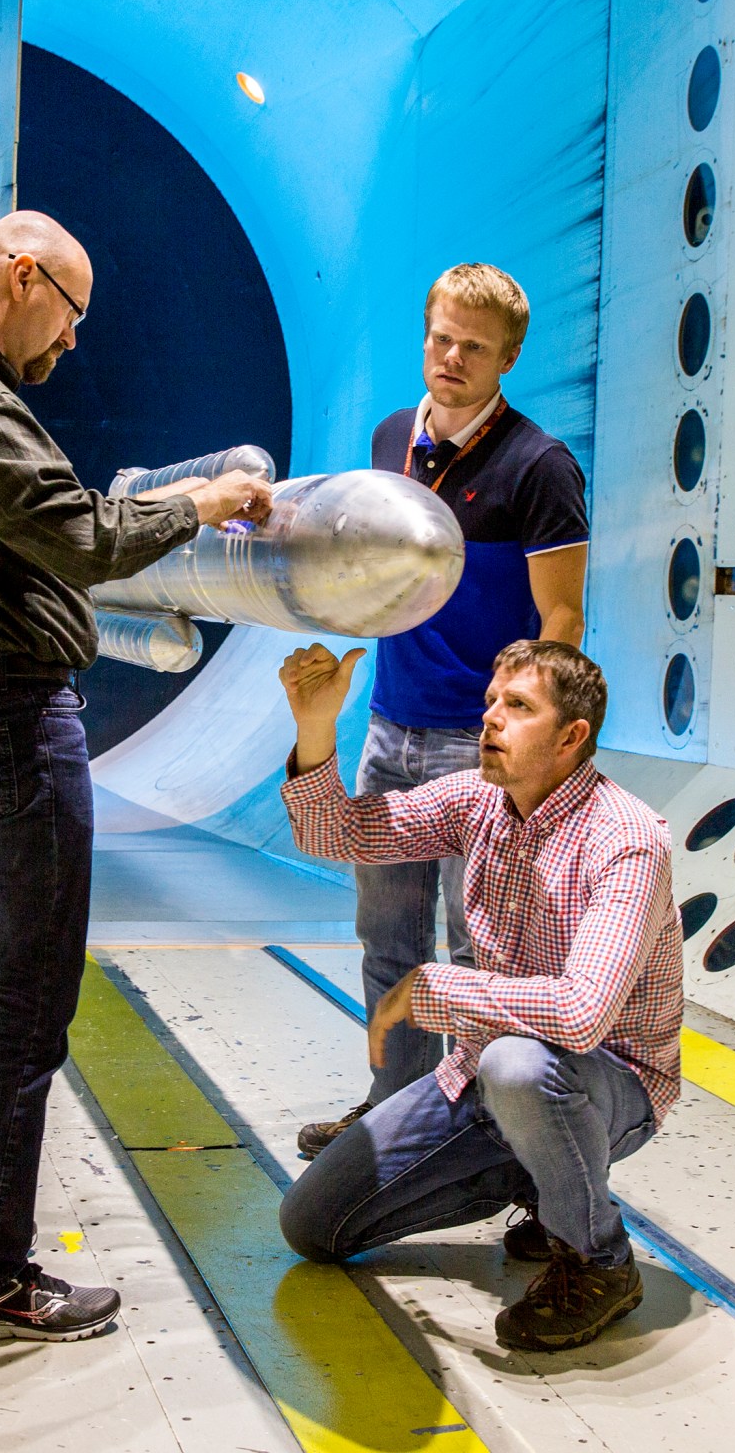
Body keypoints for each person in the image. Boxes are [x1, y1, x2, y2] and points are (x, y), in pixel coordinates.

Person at [0, 209, 272, 1342]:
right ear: (24, 273)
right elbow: (82, 536)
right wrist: (207, 501)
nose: (72, 343)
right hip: (3, 723)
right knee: (24, 1010)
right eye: (71, 315)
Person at [273, 638, 683, 1351]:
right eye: (491, 702)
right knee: (314, 1227)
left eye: (518, 707)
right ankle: (532, 1177)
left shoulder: (626, 840)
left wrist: (436, 987)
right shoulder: (477, 800)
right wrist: (314, 728)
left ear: (571, 736)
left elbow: (583, 1014)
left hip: (609, 1085)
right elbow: (334, 832)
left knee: (518, 1065)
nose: (490, 718)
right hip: (483, 1078)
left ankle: (598, 1259)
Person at [300, 263, 591, 1157]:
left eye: (474, 345)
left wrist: (543, 757)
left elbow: (563, 619)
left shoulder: (538, 466)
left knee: (480, 956)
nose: (452, 357)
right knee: (386, 939)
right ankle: (394, 1116)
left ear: (509, 358)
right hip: (392, 728)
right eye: (441, 337)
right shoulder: (393, 437)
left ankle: (476, 1135)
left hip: (482, 749)